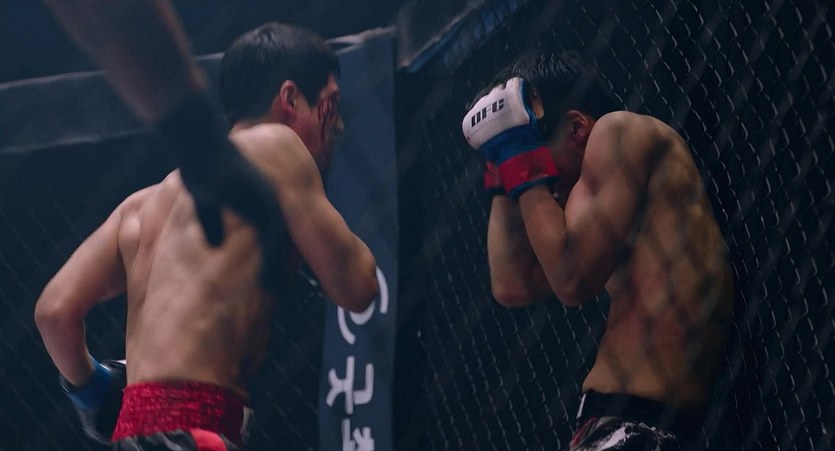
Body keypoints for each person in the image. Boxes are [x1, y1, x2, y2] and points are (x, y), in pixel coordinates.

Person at [34, 20, 380, 451]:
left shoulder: (141, 205)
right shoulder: (278, 146)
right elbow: (358, 288)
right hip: (194, 427)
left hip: (135, 435)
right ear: (290, 98)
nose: (338, 124)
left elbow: (54, 311)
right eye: (330, 105)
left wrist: (93, 393)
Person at [462, 51, 733, 449]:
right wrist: (501, 168)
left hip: (639, 423)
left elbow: (571, 281)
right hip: (618, 423)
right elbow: (513, 284)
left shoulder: (620, 131)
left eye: (534, 151)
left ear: (576, 128)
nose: (540, 183)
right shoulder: (598, 205)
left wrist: (519, 158)